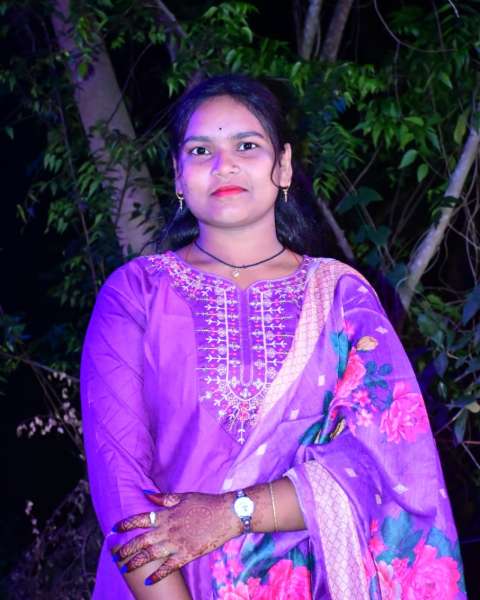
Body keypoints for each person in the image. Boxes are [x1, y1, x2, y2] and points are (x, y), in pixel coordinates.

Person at [81, 74, 465, 600]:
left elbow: (389, 464)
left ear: (282, 166)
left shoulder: (341, 299)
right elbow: (119, 485)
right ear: (177, 176)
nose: (224, 165)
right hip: (159, 584)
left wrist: (234, 512)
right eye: (201, 150)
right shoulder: (135, 295)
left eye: (246, 145)